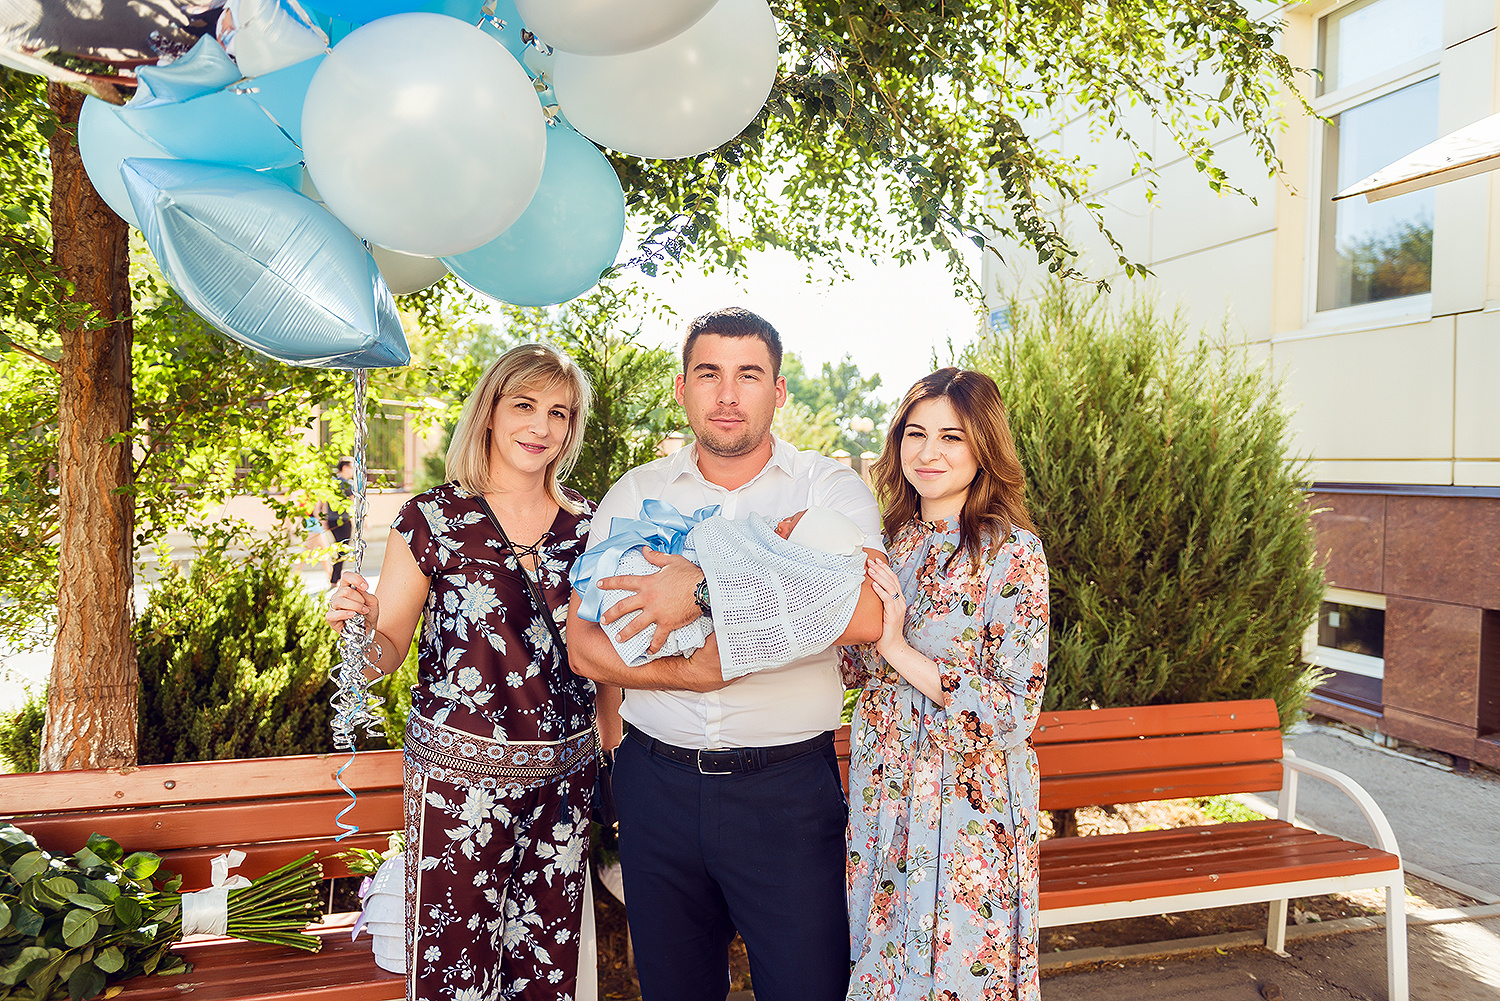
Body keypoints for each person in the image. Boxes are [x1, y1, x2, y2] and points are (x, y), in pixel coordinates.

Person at [565, 307, 885, 1001]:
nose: (729, 394)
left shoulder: (827, 490)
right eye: (709, 373)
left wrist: (702, 588)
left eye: (750, 375)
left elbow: (865, 612)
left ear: (779, 390)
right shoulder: (638, 492)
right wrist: (693, 673)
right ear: (683, 389)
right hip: (656, 787)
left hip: (786, 793)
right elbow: (584, 647)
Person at [325, 344, 600, 1001]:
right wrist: (359, 627)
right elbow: (385, 651)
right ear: (489, 412)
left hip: (564, 783)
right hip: (458, 788)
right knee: (456, 972)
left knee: (546, 974)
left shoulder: (588, 524)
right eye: (525, 405)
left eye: (559, 412)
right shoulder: (432, 520)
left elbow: (605, 660)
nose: (541, 426)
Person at [842, 368, 1049, 1001]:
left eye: (951, 437)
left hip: (967, 804)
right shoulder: (886, 544)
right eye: (916, 433)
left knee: (960, 973)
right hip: (883, 792)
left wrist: (897, 647)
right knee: (881, 965)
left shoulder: (1011, 552)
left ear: (983, 445)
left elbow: (1014, 712)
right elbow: (855, 669)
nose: (929, 452)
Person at [573, 504, 870, 676]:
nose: (781, 525)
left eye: (791, 529)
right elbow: (581, 652)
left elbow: (866, 618)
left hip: (793, 756)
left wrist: (705, 591)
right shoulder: (633, 485)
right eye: (790, 517)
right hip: (655, 753)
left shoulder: (831, 481)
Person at [324, 458, 356, 585]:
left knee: (338, 547)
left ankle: (334, 578)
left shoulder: (332, 482)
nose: (353, 471)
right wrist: (353, 519)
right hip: (343, 520)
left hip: (332, 520)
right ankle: (335, 578)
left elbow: (325, 501)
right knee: (342, 548)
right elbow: (352, 503)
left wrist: (325, 519)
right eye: (351, 468)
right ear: (344, 468)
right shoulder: (348, 484)